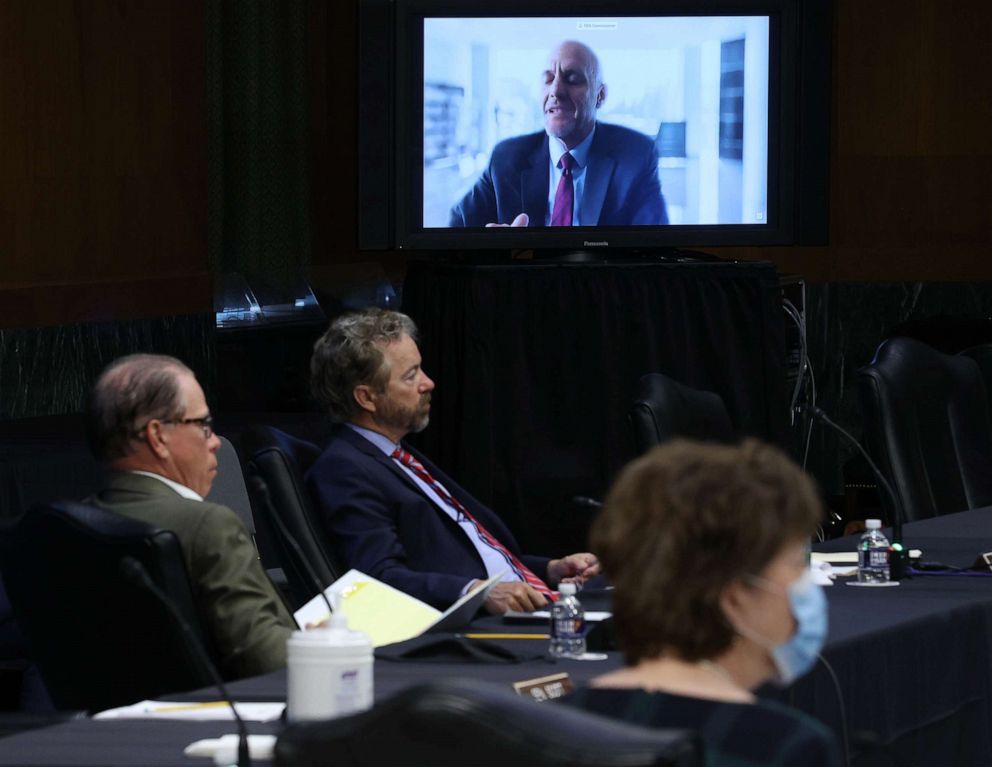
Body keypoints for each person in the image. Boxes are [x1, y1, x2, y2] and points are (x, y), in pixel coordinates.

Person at [560, 439, 842, 767]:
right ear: (734, 597)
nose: (805, 584)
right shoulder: (786, 748)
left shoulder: (548, 726)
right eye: (795, 564)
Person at [306, 308, 599, 614]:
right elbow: (377, 579)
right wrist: (475, 593)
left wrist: (551, 569)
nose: (428, 383)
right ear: (366, 398)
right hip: (475, 636)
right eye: (411, 375)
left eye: (421, 369)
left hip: (533, 606)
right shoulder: (344, 468)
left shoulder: (398, 455)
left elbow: (474, 554)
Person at [85, 354, 297, 680]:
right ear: (158, 436)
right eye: (203, 425)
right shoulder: (207, 525)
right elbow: (267, 661)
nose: (214, 442)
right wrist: (327, 641)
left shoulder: (75, 524)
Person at [449, 41, 667, 228]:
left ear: (600, 96)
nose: (555, 91)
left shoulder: (636, 155)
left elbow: (654, 241)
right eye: (548, 78)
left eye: (572, 79)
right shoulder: (505, 158)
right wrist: (487, 247)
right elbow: (457, 224)